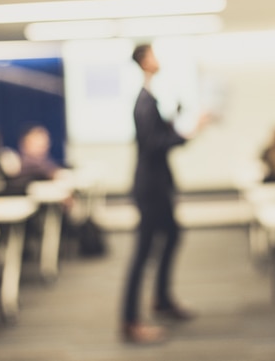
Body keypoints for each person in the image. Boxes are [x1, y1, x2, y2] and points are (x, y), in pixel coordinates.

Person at [121, 43, 208, 344]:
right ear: (144, 61)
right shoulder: (144, 101)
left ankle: (161, 299)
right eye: (154, 55)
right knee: (143, 252)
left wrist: (176, 125)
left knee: (172, 235)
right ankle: (130, 322)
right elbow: (154, 145)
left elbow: (157, 137)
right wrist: (187, 132)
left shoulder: (150, 98)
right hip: (150, 188)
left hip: (157, 184)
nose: (159, 60)